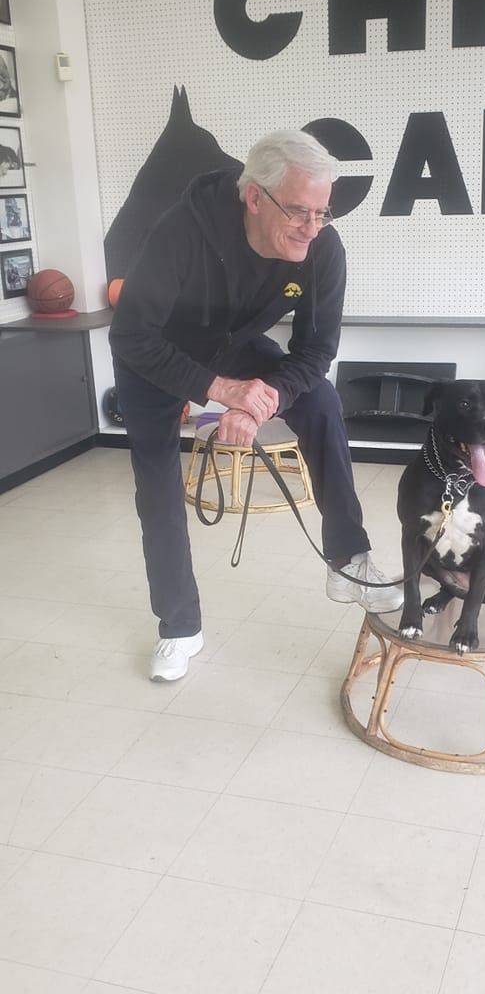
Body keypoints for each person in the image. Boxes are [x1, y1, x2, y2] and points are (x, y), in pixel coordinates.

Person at [110, 129, 403, 681]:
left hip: (232, 343)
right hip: (155, 357)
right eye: (298, 211)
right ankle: (178, 626)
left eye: (323, 212)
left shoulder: (322, 248)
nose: (311, 228)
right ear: (254, 197)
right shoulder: (181, 231)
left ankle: (348, 560)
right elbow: (131, 336)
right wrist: (221, 392)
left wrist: (255, 405)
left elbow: (316, 351)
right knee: (158, 489)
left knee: (318, 400)